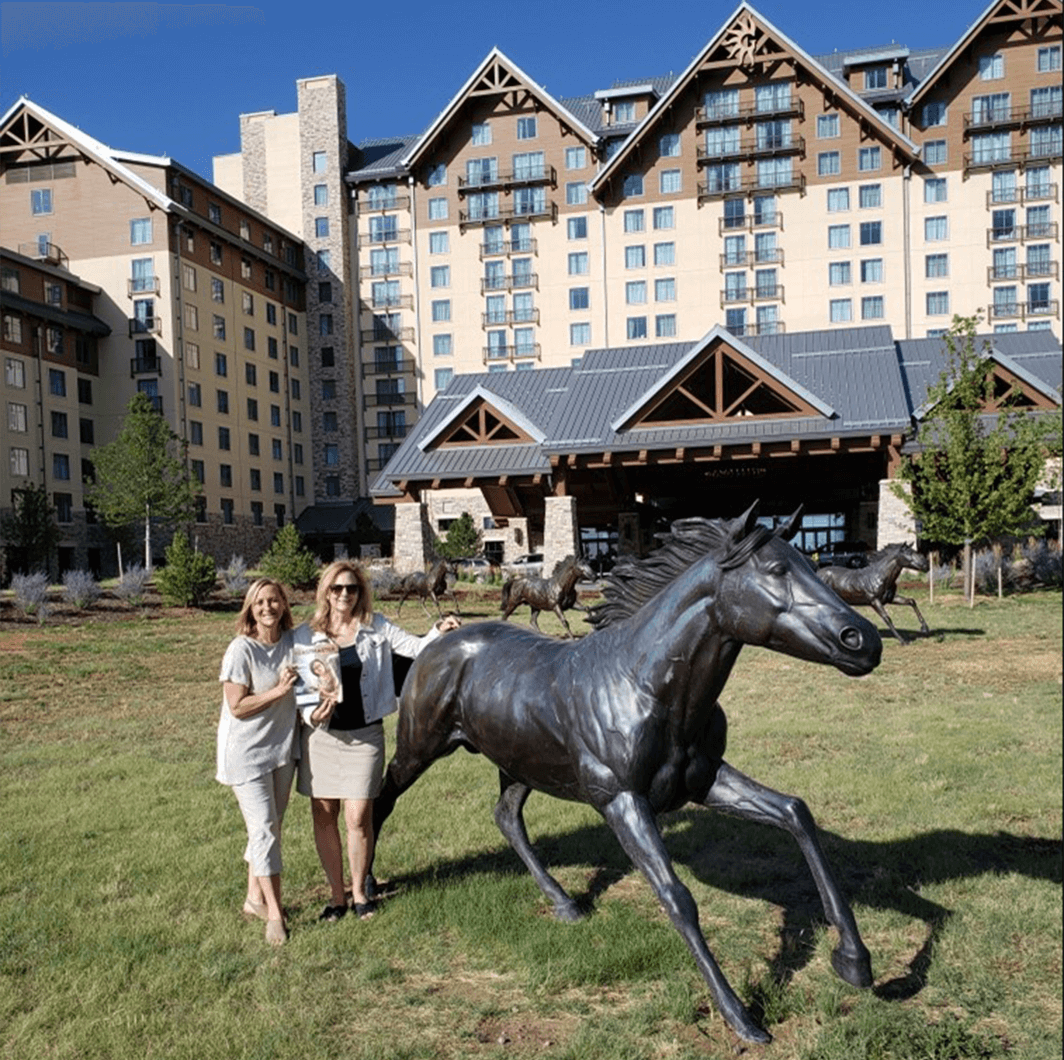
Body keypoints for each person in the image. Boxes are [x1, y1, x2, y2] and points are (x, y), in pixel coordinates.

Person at [294, 559, 460, 922]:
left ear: (360, 592)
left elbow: (417, 649)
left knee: (358, 817)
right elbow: (298, 687)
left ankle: (359, 894)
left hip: (365, 736)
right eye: (337, 588)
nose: (344, 595)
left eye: (351, 589)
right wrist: (310, 715)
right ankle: (337, 898)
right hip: (321, 737)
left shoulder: (376, 626)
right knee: (325, 818)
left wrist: (439, 629)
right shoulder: (305, 635)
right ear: (325, 592)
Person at [216, 578, 300, 946]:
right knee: (264, 829)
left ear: (284, 604)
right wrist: (279, 691)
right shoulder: (241, 649)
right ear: (250, 608)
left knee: (269, 828)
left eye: (274, 600)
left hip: (282, 750)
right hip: (246, 754)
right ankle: (275, 914)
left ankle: (253, 898)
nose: (268, 607)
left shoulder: (292, 644)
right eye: (260, 602)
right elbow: (237, 706)